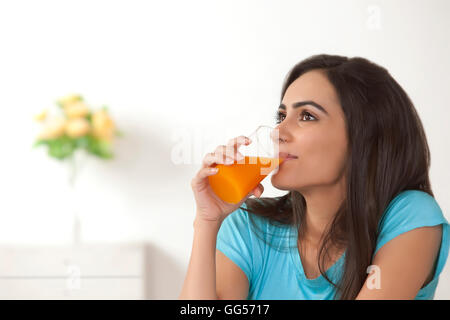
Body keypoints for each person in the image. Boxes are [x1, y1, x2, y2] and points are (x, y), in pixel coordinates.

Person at [179, 54, 449, 300]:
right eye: (282, 115)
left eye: (306, 116)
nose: (278, 132)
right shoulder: (248, 226)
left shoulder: (410, 215)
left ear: (363, 138)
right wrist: (207, 222)